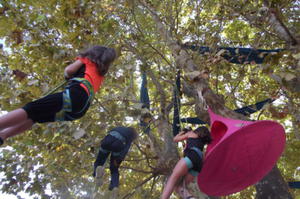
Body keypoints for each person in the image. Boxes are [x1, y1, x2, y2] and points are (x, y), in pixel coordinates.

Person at [0, 45, 116, 145]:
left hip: (75, 95)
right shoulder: (100, 75)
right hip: (80, 109)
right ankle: (3, 135)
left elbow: (69, 70)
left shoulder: (87, 59)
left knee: (31, 109)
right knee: (35, 117)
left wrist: (67, 75)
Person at [161, 126, 212, 199]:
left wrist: (183, 132)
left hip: (191, 156)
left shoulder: (191, 133)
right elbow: (203, 157)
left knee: (173, 178)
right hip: (199, 164)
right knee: (180, 185)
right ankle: (189, 197)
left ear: (197, 130)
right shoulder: (202, 144)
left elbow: (175, 139)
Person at [93, 126, 138, 196]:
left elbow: (108, 134)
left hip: (107, 140)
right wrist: (118, 160)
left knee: (99, 161)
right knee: (114, 169)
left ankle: (96, 173)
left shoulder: (119, 127)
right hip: (118, 144)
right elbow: (126, 149)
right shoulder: (130, 136)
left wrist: (102, 142)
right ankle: (114, 186)